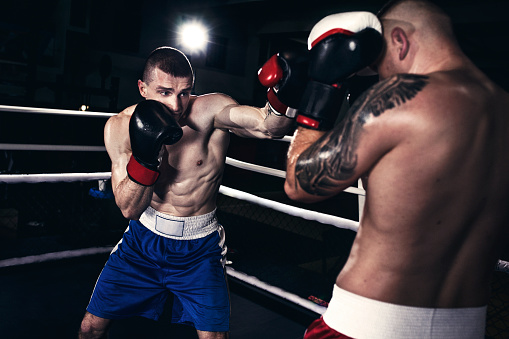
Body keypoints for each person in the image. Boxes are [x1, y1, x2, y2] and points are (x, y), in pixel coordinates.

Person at [284, 2, 509, 338]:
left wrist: (321, 89)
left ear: (400, 40)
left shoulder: (398, 96)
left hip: (367, 325)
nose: (379, 74)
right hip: (465, 327)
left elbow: (299, 183)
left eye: (378, 62)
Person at [78, 46, 305, 339]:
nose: (176, 105)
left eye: (185, 92)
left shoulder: (211, 111)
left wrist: (286, 93)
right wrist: (146, 159)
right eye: (164, 92)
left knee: (214, 337)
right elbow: (128, 208)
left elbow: (269, 127)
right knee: (89, 329)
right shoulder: (120, 127)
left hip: (199, 248)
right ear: (142, 88)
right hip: (142, 243)